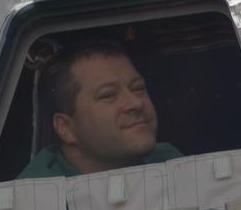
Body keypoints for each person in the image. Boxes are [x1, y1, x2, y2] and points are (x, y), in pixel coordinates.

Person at [17, 41, 183, 178]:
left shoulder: (168, 160)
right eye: (108, 95)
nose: (136, 103)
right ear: (66, 128)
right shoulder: (33, 197)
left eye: (138, 88)